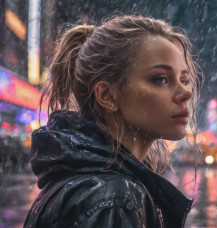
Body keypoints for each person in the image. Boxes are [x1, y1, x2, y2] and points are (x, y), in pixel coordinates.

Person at [24, 15, 203, 228]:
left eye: (184, 80)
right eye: (161, 79)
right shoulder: (115, 200)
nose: (186, 93)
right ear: (108, 96)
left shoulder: (83, 182)